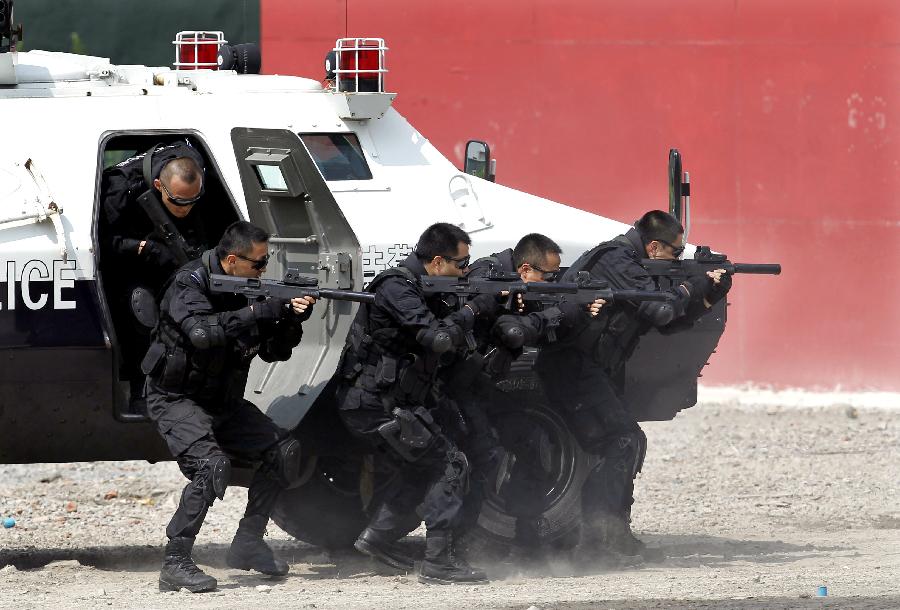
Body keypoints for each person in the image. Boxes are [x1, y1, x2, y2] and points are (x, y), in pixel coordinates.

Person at [534, 210, 730, 562]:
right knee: (621, 441)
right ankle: (595, 541)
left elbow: (669, 322)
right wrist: (695, 282)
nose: (678, 259)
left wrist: (708, 294)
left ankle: (613, 536)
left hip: (591, 368)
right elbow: (660, 311)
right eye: (675, 252)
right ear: (654, 247)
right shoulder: (615, 259)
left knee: (628, 442)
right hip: (572, 366)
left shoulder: (631, 264)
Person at [142, 221, 315, 593]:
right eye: (258, 263)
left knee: (283, 452)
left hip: (222, 400)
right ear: (232, 260)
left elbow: (275, 351)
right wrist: (264, 309)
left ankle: (249, 541)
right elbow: (202, 334)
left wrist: (290, 318)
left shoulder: (251, 288)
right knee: (210, 466)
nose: (264, 271)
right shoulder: (189, 282)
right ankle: (175, 561)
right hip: (176, 397)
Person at [334, 222, 502, 585]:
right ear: (438, 262)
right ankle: (438, 561)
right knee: (449, 463)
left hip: (391, 401)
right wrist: (473, 309)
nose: (464, 271)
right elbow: (439, 338)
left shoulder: (424, 286)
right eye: (461, 263)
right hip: (373, 404)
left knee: (420, 466)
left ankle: (377, 538)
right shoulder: (397, 287)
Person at [100, 141, 229, 412]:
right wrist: (142, 248)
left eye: (194, 200)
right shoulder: (120, 189)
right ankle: (142, 389)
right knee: (141, 308)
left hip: (182, 255)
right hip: (133, 260)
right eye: (179, 202)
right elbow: (101, 243)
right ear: (158, 186)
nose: (186, 209)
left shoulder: (196, 165)